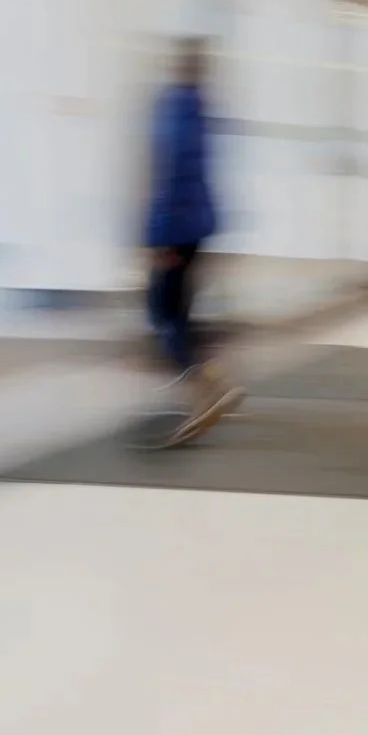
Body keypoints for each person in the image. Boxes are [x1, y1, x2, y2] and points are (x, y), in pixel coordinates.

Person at [143, 37, 242, 446]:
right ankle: (213, 382)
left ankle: (204, 390)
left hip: (177, 227)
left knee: (163, 310)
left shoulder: (175, 109)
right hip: (197, 223)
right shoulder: (201, 107)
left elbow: (171, 175)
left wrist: (160, 236)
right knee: (178, 311)